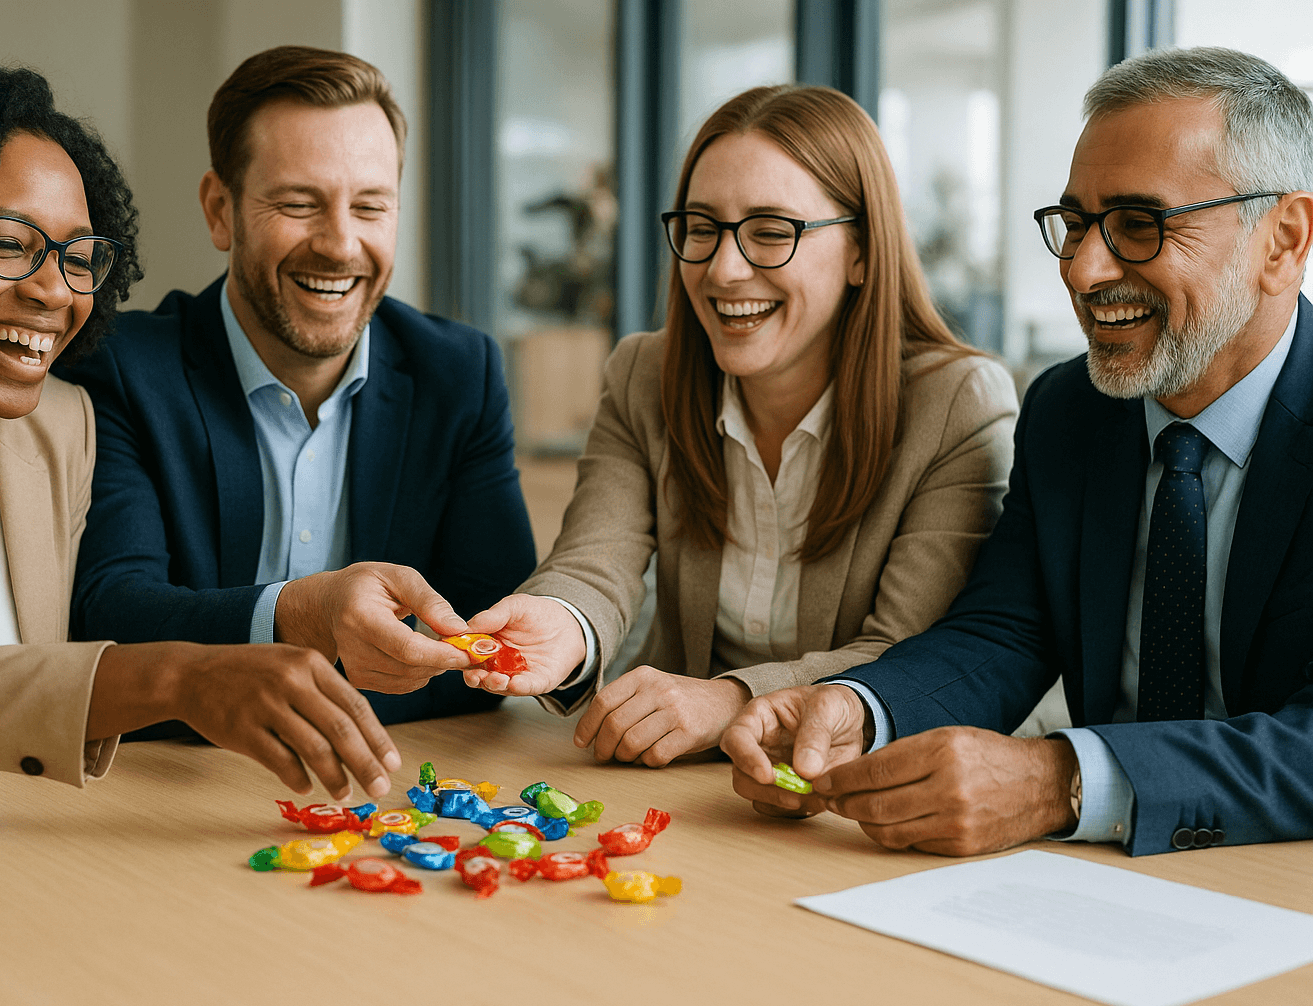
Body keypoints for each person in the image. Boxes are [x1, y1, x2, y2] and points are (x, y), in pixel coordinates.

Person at [722, 47, 1313, 857]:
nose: (1083, 267)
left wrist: (1060, 780)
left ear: (1282, 240)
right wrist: (860, 707)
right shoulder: (1070, 409)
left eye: (1140, 225)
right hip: (1091, 886)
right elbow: (1004, 631)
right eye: (1075, 223)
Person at [0, 57, 402, 801]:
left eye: (79, 257)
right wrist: (179, 674)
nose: (52, 291)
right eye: (9, 242)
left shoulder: (61, 426)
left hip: (17, 860)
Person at [459, 85, 1018, 765]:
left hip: (846, 790)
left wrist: (728, 700)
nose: (724, 269)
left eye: (771, 232)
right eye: (702, 228)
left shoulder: (956, 403)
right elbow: (594, 563)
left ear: (863, 253)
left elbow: (904, 657)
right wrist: (562, 626)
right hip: (676, 781)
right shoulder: (645, 374)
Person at [54, 46, 535, 734]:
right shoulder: (121, 369)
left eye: (370, 206)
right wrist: (301, 616)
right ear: (220, 210)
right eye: (299, 203)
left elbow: (492, 636)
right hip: (159, 786)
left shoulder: (459, 374)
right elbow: (109, 618)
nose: (340, 244)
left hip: (388, 794)